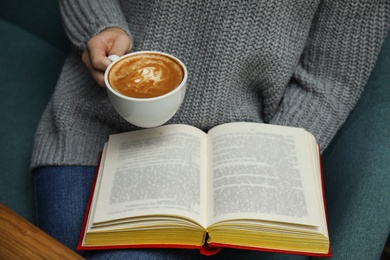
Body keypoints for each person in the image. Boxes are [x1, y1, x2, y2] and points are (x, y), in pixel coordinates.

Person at [31, 0, 390, 259]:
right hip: (93, 127)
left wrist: (266, 163)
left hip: (226, 163)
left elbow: (327, 81)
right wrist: (99, 25)